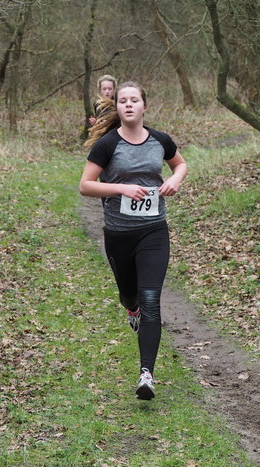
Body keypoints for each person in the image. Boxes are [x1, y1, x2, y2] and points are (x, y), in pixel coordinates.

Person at [79, 80, 188, 400]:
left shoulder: (160, 140)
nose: (128, 104)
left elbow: (180, 165)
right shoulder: (108, 145)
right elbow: (85, 185)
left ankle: (146, 374)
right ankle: (132, 310)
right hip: (118, 234)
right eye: (123, 100)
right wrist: (121, 188)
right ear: (118, 107)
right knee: (130, 297)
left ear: (144, 106)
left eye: (134, 100)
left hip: (153, 231)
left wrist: (175, 181)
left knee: (151, 298)